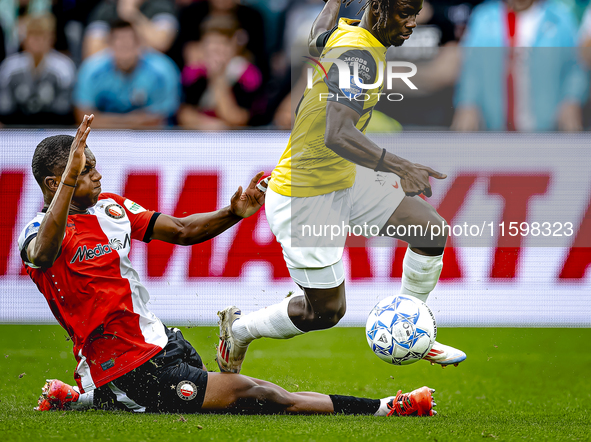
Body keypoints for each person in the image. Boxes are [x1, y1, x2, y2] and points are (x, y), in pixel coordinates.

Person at [27, 116, 436, 417]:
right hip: (126, 367)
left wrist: (234, 212)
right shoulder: (36, 234)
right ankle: (387, 408)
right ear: (54, 183)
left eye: (94, 165)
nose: (97, 174)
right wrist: (69, 180)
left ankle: (81, 397)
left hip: (160, 343)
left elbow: (183, 230)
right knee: (255, 393)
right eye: (85, 170)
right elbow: (44, 255)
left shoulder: (112, 207)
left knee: (215, 393)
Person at [216, 0, 466, 374]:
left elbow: (317, 39)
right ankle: (239, 330)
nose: (412, 23)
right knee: (325, 312)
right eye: (405, 13)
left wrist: (331, 0)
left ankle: (410, 327)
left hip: (343, 178)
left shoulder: (353, 34)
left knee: (430, 231)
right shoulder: (360, 56)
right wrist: (398, 165)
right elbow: (338, 132)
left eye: (417, 12)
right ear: (379, 6)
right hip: (305, 193)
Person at [453, 0, 589, 131]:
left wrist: (572, 100)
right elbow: (471, 66)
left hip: (546, 126)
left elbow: (575, 67)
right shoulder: (484, 17)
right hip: (494, 126)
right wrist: (467, 103)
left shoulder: (559, 18)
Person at [74, 19, 180, 128]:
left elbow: (161, 119)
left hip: (148, 138)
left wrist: (104, 120)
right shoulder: (91, 71)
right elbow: (82, 118)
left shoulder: (162, 71)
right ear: (109, 44)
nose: (124, 47)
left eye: (129, 43)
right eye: (119, 43)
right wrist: (132, 121)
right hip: (103, 137)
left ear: (139, 43)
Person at [178, 15, 264, 129]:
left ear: (234, 45)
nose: (215, 50)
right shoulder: (194, 73)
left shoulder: (248, 76)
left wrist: (218, 79)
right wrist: (208, 126)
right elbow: (184, 115)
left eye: (222, 44)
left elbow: (237, 119)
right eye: (210, 44)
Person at [0, 13, 76, 126]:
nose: (37, 40)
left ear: (52, 38)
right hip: (16, 131)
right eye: (33, 35)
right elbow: (5, 109)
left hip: (53, 130)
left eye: (42, 35)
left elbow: (64, 110)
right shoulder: (9, 67)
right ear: (24, 39)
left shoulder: (64, 68)